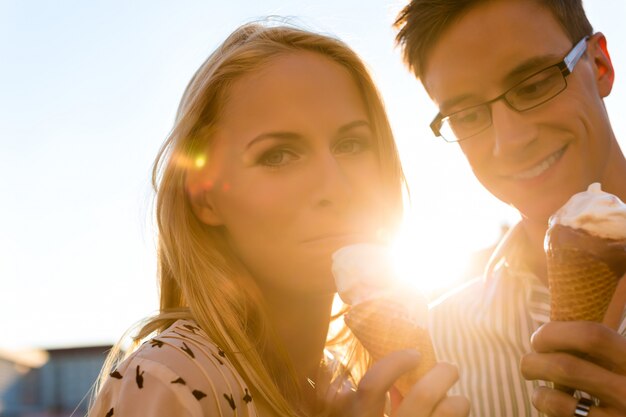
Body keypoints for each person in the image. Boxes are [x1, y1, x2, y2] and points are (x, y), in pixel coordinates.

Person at [88, 22, 470, 417]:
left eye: (351, 144)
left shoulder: (345, 386)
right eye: (278, 155)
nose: (335, 186)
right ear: (206, 198)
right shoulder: (172, 379)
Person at [394, 1, 626, 416]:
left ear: (600, 64)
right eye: (466, 116)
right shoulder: (440, 344)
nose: (509, 142)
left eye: (535, 84)